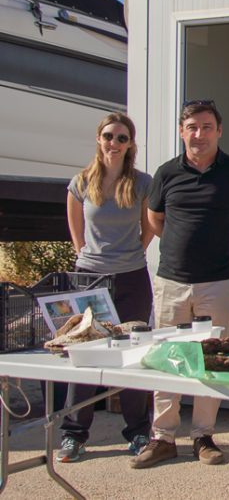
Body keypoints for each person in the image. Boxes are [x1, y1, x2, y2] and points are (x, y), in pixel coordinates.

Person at [132, 100, 229, 469]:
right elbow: (154, 218)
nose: (198, 134)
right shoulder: (167, 172)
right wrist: (177, 247)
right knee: (166, 359)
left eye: (206, 127)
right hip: (172, 280)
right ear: (181, 131)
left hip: (218, 282)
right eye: (192, 127)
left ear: (219, 131)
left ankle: (203, 435)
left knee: (210, 359)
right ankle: (163, 438)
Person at [56, 113, 155, 463]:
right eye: (109, 136)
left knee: (131, 356)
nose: (114, 143)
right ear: (99, 139)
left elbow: (149, 229)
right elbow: (76, 230)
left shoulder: (142, 183)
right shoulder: (81, 182)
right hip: (90, 278)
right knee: (83, 355)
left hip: (132, 277)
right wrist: (89, 257)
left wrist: (131, 256)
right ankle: (73, 435)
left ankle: (139, 432)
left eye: (122, 138)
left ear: (131, 145)